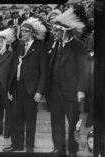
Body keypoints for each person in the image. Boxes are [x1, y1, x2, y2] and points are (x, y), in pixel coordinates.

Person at [46, 7, 89, 157]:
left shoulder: (78, 45)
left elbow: (84, 70)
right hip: (55, 92)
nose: (53, 33)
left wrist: (81, 90)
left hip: (71, 93)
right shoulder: (56, 45)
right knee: (56, 123)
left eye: (56, 31)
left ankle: (72, 151)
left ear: (65, 31)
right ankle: (59, 149)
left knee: (72, 126)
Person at [3, 17, 48, 153]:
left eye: (25, 31)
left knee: (30, 121)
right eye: (21, 31)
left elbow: (43, 72)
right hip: (17, 88)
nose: (22, 33)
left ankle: (29, 148)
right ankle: (16, 144)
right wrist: (10, 88)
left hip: (31, 90)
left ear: (32, 32)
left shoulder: (40, 47)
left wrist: (39, 91)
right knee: (16, 119)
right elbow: (13, 68)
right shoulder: (20, 46)